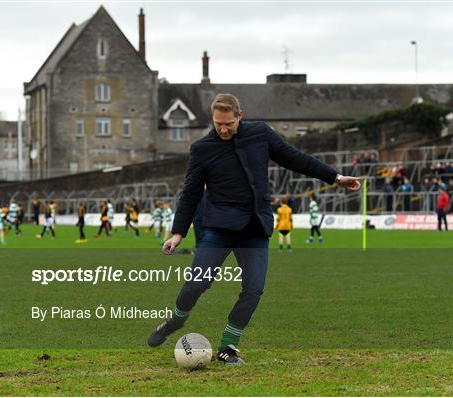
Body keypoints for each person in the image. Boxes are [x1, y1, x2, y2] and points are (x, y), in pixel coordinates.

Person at [147, 93, 360, 364]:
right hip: (218, 228)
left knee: (254, 288)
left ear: (240, 117)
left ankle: (228, 345)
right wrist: (178, 233)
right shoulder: (202, 149)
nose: (223, 130)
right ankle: (175, 321)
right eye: (217, 124)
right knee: (197, 283)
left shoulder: (260, 134)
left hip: (254, 227)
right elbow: (190, 193)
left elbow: (296, 158)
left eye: (228, 124)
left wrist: (335, 177)